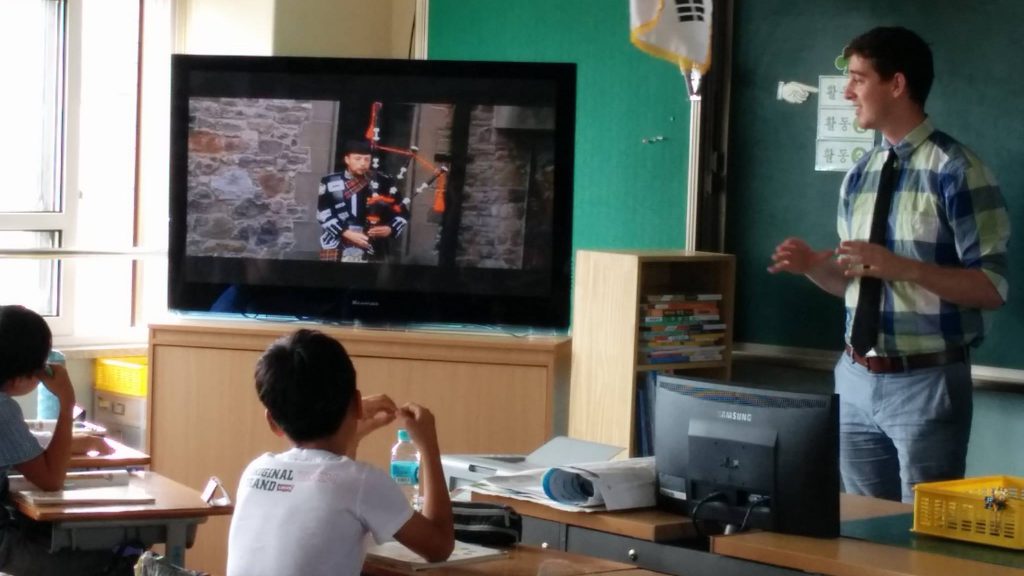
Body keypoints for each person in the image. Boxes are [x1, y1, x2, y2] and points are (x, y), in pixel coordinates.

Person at [769, 27, 1010, 503]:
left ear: (896, 84)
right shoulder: (861, 174)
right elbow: (858, 285)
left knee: (925, 537)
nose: (847, 92)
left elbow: (992, 287)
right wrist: (815, 267)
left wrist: (905, 268)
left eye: (859, 78)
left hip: (926, 381)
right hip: (855, 376)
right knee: (861, 534)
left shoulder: (958, 169)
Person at [226, 329, 454, 576]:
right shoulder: (362, 482)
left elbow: (331, 494)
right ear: (357, 403)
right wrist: (428, 445)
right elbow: (439, 547)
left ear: (273, 422)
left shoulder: (255, 472)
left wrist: (352, 436)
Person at [0, 304, 128, 575]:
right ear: (21, 377)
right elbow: (51, 480)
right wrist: (66, 400)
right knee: (121, 557)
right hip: (3, 544)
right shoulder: (3, 410)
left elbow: (19, 448)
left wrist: (81, 442)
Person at [317, 139, 410, 263]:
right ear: (347, 159)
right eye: (358, 159)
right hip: (337, 242)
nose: (363, 163)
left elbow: (402, 212)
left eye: (367, 159)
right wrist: (345, 232)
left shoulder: (384, 182)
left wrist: (390, 229)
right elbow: (322, 214)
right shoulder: (329, 182)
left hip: (373, 244)